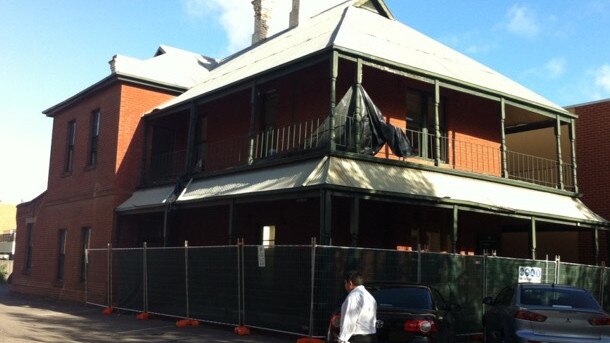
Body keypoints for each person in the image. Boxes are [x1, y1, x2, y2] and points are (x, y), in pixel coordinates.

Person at [338, 271, 378, 343]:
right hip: (371, 336)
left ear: (350, 283)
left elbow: (349, 319)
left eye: (345, 283)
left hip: (357, 338)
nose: (345, 285)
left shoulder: (353, 297)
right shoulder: (370, 297)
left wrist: (342, 339)